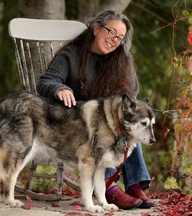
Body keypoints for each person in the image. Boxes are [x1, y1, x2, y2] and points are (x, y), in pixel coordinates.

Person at [36, 10, 154, 210]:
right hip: (77, 122)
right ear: (97, 28)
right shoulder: (72, 55)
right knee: (104, 135)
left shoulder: (121, 60)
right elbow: (46, 81)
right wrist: (60, 88)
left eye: (120, 37)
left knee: (134, 125)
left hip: (108, 119)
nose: (114, 40)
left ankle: (134, 184)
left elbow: (132, 94)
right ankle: (109, 187)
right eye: (111, 32)